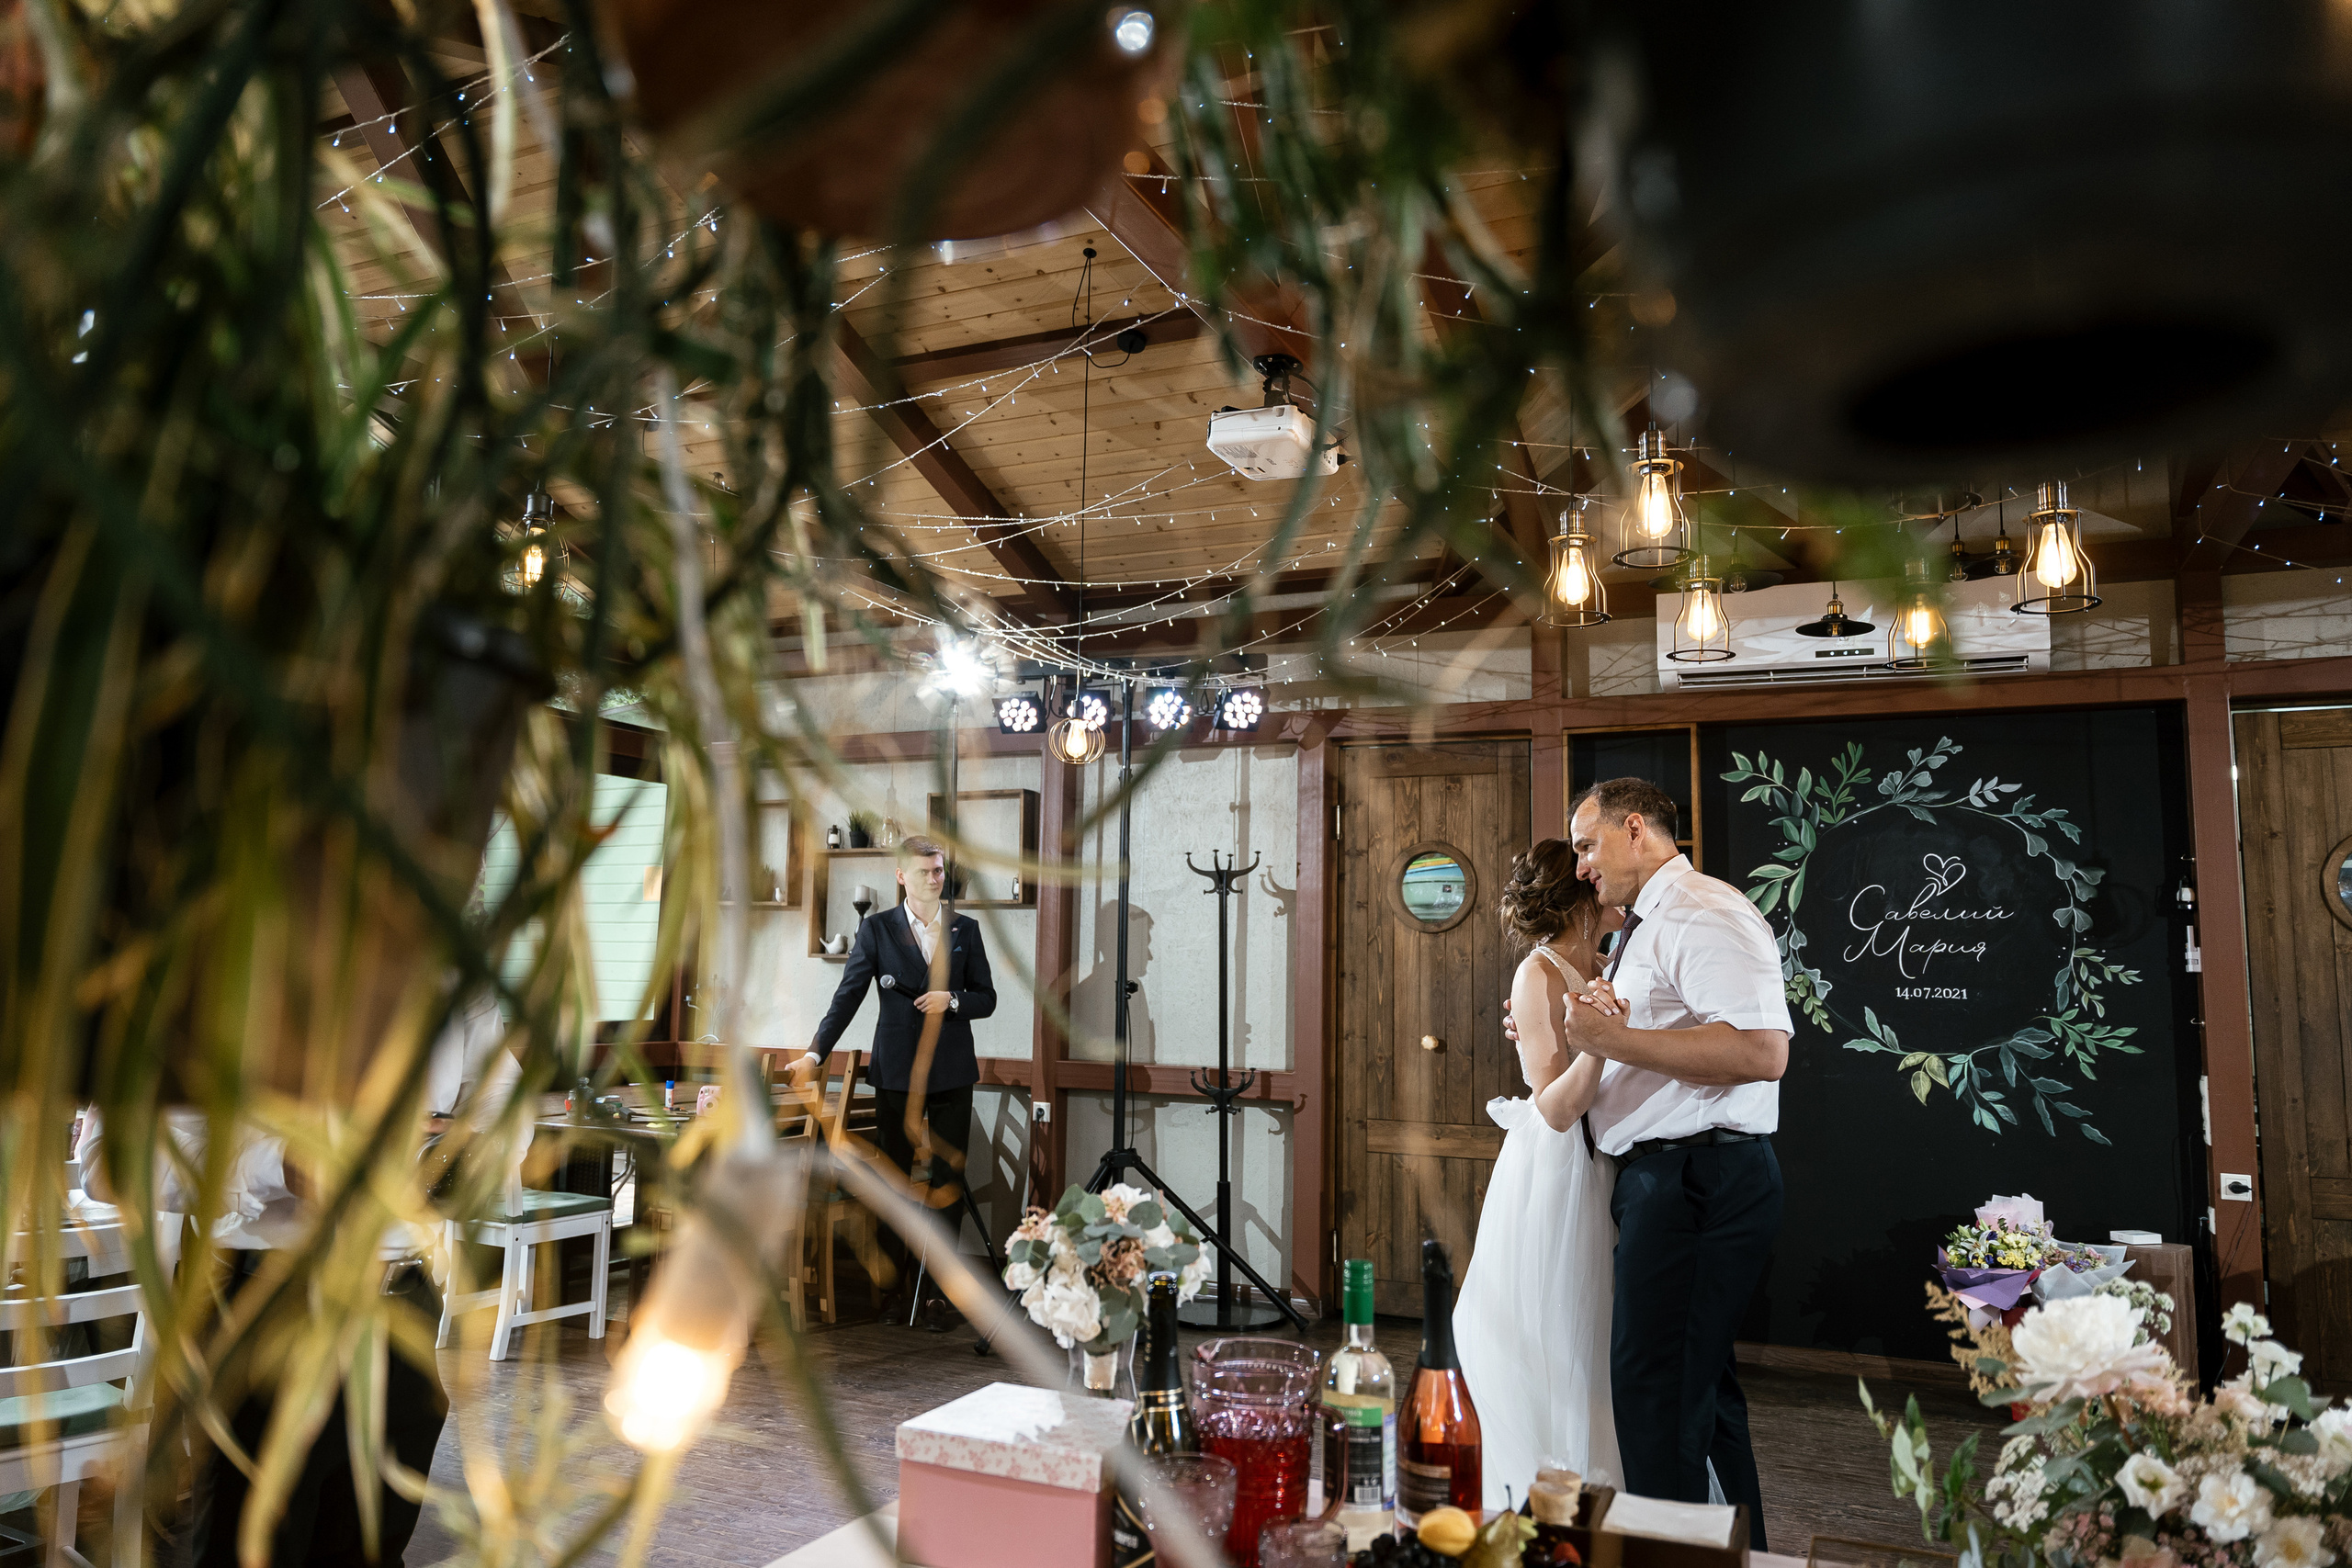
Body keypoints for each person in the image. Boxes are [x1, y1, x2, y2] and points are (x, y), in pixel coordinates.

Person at [1557, 777, 1791, 1545]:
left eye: (1587, 845)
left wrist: (1611, 1042)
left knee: (1658, 1405)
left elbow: (1761, 1051)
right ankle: (1737, 1559)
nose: (1582, 865)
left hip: (1698, 1183)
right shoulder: (1651, 921)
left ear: (1635, 830)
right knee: (1699, 1402)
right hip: (1677, 1182)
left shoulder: (1700, 912)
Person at [1454, 840, 1625, 1507]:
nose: (1605, 885)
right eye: (1593, 877)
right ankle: (1541, 1499)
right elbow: (1554, 1107)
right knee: (1560, 1330)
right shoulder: (1539, 974)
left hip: (1606, 1158)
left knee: (1602, 1332)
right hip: (1559, 1170)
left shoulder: (1607, 961)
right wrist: (1603, 1040)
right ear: (1580, 900)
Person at [789, 834, 997, 1318]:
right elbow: (847, 997)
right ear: (901, 875)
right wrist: (814, 1055)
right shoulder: (877, 930)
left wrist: (955, 1001)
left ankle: (941, 1294)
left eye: (940, 871)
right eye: (925, 871)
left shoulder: (965, 928)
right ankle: (891, 1288)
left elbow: (986, 998)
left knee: (948, 1181)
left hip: (951, 1070)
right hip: (897, 1073)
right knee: (892, 1181)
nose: (935, 879)